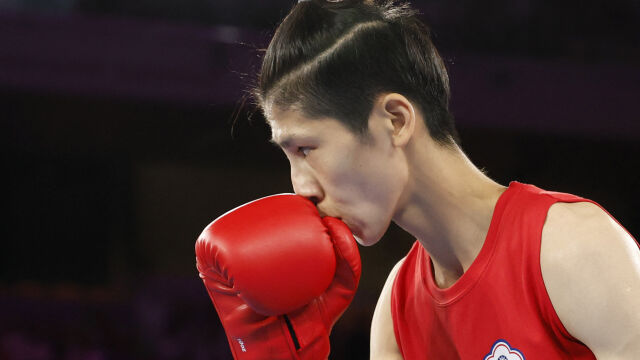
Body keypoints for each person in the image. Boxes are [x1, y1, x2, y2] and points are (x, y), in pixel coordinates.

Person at [207, 0, 640, 358]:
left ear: (395, 120)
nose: (301, 187)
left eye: (306, 149)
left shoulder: (573, 250)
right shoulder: (396, 314)